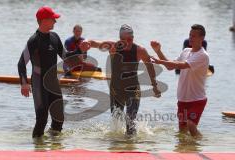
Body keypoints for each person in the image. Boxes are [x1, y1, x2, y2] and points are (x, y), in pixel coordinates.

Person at [17, 6, 89, 138]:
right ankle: (37, 149)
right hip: (39, 83)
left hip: (52, 82)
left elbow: (67, 58)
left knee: (59, 118)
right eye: (53, 19)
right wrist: (24, 83)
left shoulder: (55, 37)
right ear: (44, 20)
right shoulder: (33, 41)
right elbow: (21, 63)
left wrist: (80, 50)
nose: (55, 22)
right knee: (42, 119)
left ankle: (54, 145)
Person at [89, 24, 161, 136]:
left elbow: (150, 66)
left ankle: (130, 146)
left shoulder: (140, 50)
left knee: (130, 122)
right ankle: (117, 147)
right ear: (120, 39)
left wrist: (155, 86)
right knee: (116, 122)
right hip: (116, 89)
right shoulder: (112, 46)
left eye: (131, 39)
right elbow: (94, 43)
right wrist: (86, 43)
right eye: (126, 39)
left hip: (133, 89)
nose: (129, 42)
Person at [150, 24, 209, 137]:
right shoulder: (186, 51)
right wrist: (158, 51)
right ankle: (185, 151)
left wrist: (159, 61)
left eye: (194, 36)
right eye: (190, 35)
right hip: (182, 98)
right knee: (182, 131)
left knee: (191, 125)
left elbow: (182, 65)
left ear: (202, 38)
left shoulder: (203, 55)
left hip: (197, 99)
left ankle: (201, 146)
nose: (190, 38)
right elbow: (170, 66)